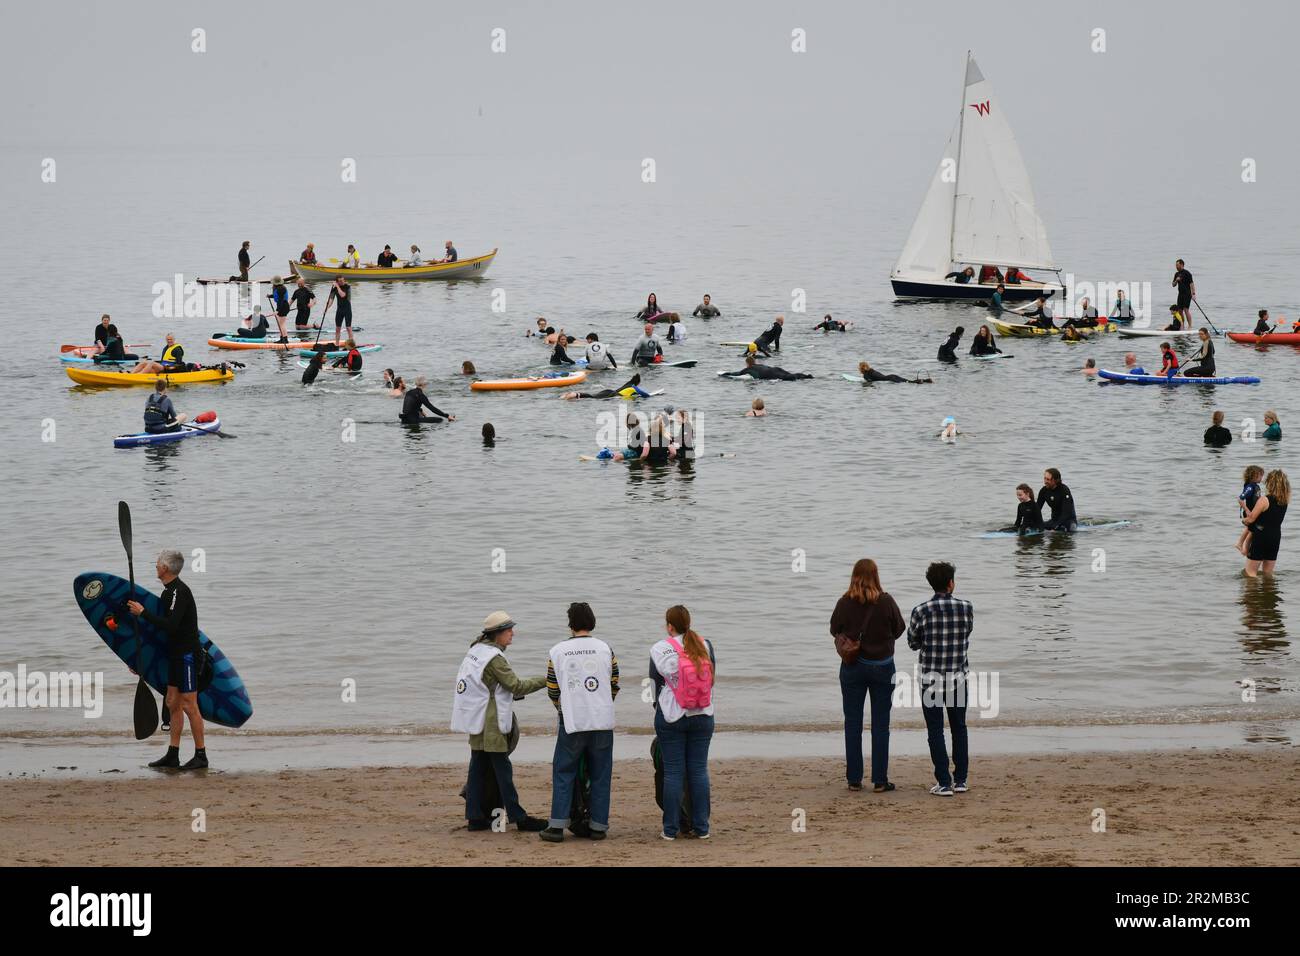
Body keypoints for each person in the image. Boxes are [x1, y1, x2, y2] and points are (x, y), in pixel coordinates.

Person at [451, 611, 550, 832]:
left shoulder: (475, 650)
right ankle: (519, 817)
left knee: (477, 768)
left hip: (476, 717)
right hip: (492, 722)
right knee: (502, 771)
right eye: (509, 630)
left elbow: (486, 686)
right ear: (497, 634)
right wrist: (548, 679)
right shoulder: (494, 659)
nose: (512, 633)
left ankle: (475, 818)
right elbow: (516, 686)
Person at [540, 602, 618, 843]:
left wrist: (563, 710)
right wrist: (602, 703)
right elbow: (614, 684)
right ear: (592, 622)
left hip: (573, 720)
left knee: (564, 771)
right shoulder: (605, 648)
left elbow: (552, 689)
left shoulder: (557, 651)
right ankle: (598, 826)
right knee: (601, 773)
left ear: (570, 624)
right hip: (602, 720)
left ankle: (556, 826)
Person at [126, 550, 208, 769]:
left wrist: (142, 613)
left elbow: (171, 625)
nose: (156, 566)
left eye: (158, 563)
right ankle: (173, 754)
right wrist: (139, 660)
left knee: (190, 705)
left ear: (166, 568)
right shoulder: (167, 593)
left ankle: (201, 756)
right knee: (172, 702)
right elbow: (162, 633)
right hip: (174, 655)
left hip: (188, 655)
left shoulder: (180, 592)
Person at [829, 558, 906, 793]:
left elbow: (834, 628)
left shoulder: (844, 601)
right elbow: (899, 629)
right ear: (876, 576)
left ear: (854, 576)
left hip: (853, 667)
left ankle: (854, 779)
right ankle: (880, 780)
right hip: (882, 667)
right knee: (881, 725)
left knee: (852, 723)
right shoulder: (886, 601)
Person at [907, 561, 974, 796]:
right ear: (951, 583)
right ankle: (961, 779)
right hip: (958, 677)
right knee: (959, 728)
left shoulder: (920, 610)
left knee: (935, 730)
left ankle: (944, 782)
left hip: (931, 679)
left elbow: (913, 643)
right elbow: (967, 631)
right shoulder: (966, 607)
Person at [650, 605, 715, 840]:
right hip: (703, 714)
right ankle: (702, 828)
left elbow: (655, 687)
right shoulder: (704, 644)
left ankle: (670, 830)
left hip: (671, 716)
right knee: (698, 771)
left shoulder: (659, 648)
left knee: (673, 773)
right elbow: (711, 679)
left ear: (669, 626)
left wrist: (661, 708)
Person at [1243, 469, 1290, 577]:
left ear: (1270, 483)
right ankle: (1268, 592)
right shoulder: (1285, 501)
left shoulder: (1264, 500)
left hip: (1261, 536)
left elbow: (1251, 519)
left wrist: (1244, 519)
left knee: (1250, 573)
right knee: (1268, 573)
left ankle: (1252, 594)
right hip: (1275, 537)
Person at [1236, 465, 1264, 555]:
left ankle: (1243, 547)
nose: (1262, 478)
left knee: (1250, 530)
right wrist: (1247, 511)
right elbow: (1240, 499)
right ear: (1254, 476)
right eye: (1261, 476)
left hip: (1254, 512)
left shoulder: (1255, 486)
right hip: (1250, 513)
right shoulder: (1250, 487)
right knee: (1251, 531)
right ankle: (1242, 546)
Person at [562, 374, 647, 401]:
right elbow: (644, 394)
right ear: (638, 382)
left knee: (593, 396)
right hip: (613, 395)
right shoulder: (633, 387)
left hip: (609, 391)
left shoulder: (628, 384)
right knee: (593, 398)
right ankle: (574, 394)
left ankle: (572, 394)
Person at [721, 356, 812, 380]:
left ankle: (799, 377)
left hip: (769, 374)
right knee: (790, 374)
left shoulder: (748, 369)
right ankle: (806, 376)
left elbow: (737, 373)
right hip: (775, 369)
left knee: (788, 378)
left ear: (747, 363)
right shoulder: (760, 365)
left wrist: (725, 374)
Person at [326, 276, 352, 343]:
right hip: (339, 310)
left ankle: (352, 344)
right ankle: (337, 344)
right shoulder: (334, 289)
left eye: (343, 280)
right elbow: (331, 299)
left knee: (348, 328)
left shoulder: (347, 287)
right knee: (337, 328)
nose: (342, 282)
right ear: (337, 282)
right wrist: (326, 308)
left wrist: (337, 286)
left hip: (347, 309)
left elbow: (342, 295)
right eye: (340, 281)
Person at [1172, 258, 1195, 328]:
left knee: (1186, 310)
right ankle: (1182, 325)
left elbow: (1192, 284)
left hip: (1187, 294)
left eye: (1177, 265)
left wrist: (1193, 294)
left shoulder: (1187, 273)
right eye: (1176, 265)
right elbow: (1173, 285)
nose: (1176, 267)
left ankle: (1190, 326)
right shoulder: (1176, 274)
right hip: (1180, 294)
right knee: (1180, 310)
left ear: (1182, 265)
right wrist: (1176, 280)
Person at [267, 276, 291, 342]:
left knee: (282, 324)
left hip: (283, 306)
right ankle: (282, 338)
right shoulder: (279, 288)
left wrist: (277, 310)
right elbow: (277, 296)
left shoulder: (281, 289)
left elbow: (280, 300)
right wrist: (270, 296)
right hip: (282, 306)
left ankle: (285, 339)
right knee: (280, 324)